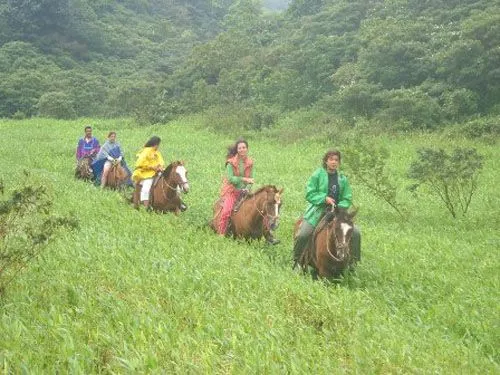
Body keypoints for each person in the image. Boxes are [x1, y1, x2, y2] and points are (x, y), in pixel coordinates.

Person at [293, 150, 361, 267]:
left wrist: (340, 206)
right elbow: (310, 193)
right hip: (318, 210)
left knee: (356, 232)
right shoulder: (317, 174)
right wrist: (324, 199)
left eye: (336, 160)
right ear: (326, 161)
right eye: (331, 159)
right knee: (303, 234)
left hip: (338, 212)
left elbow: (347, 197)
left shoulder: (342, 179)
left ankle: (353, 262)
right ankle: (297, 262)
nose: (334, 162)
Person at [216, 139, 280, 245]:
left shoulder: (250, 162)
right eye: (240, 148)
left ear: (247, 148)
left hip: (244, 191)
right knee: (227, 211)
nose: (242, 150)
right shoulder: (230, 163)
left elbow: (251, 178)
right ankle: (222, 233)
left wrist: (247, 187)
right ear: (237, 150)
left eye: (244, 147)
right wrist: (245, 180)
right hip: (231, 191)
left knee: (261, 208)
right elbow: (231, 179)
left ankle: (268, 235)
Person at [132, 136, 165, 209]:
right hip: (147, 173)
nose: (158, 146)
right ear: (155, 144)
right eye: (158, 144)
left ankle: (177, 201)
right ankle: (146, 206)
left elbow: (161, 161)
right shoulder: (146, 151)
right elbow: (140, 163)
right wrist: (152, 167)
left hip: (157, 171)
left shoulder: (157, 152)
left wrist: (161, 166)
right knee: (146, 188)